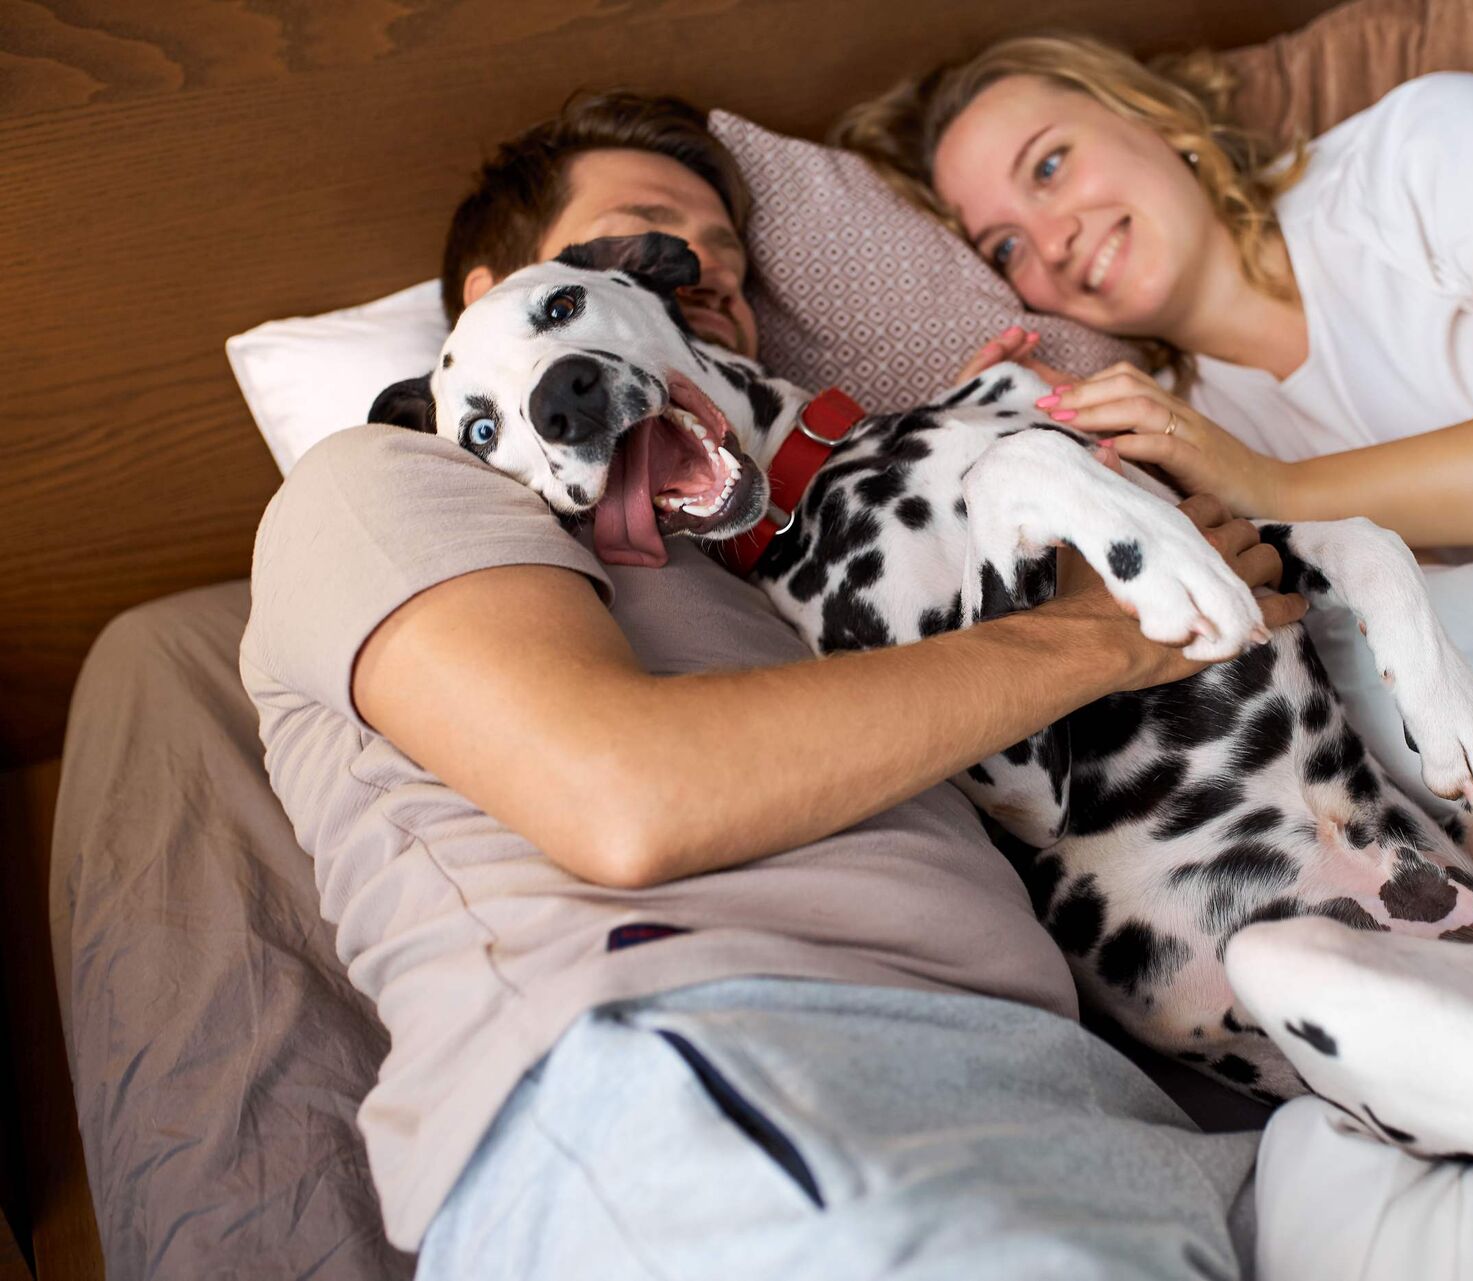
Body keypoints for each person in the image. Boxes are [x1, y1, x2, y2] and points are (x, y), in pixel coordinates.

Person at [242, 89, 1305, 1277]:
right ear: (499, 302)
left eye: (732, 267)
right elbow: (629, 796)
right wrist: (1111, 633)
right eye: (645, 234)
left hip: (1091, 1093)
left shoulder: (790, 535)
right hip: (725, 1070)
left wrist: (959, 459)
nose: (697, 272)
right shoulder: (386, 481)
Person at [833, 35, 1473, 554]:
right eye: (1007, 245)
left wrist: (1281, 488)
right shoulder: (1182, 444)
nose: (1055, 237)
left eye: (1051, 164)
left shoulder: (1421, 148)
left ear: (1154, 116)